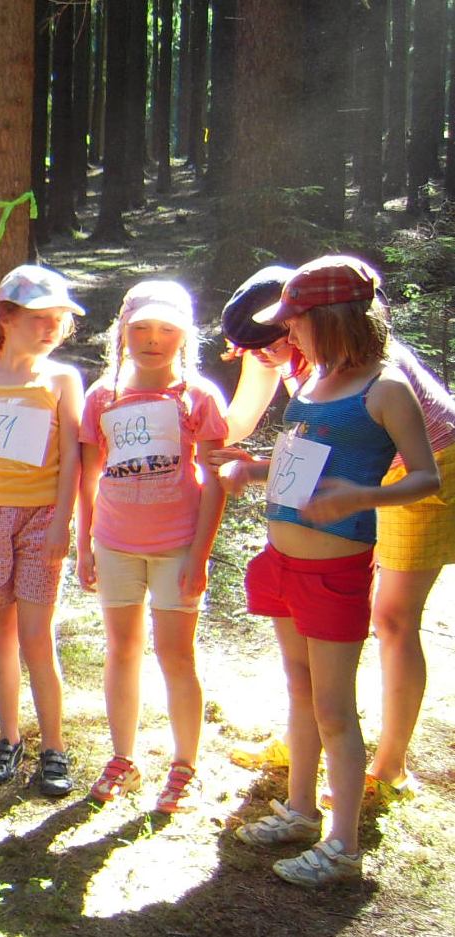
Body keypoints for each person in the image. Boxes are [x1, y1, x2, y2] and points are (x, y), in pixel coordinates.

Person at [218, 256, 439, 887]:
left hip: (334, 570)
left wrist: (362, 496)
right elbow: (301, 460)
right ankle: (300, 810)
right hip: (283, 563)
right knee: (299, 689)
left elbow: (426, 476)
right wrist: (252, 470)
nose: (287, 333)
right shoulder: (313, 380)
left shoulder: (385, 388)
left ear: (334, 318)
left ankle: (343, 847)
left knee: (335, 709)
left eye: (295, 321)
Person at [74, 281, 228, 812]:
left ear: (185, 335)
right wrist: (84, 545)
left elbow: (215, 481)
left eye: (166, 329)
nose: (153, 339)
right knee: (122, 649)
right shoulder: (103, 396)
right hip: (116, 544)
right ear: (122, 332)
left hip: (177, 547)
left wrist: (199, 555)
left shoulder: (198, 397)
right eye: (141, 328)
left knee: (175, 654)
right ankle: (123, 758)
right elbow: (89, 475)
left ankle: (185, 765)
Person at [0, 265, 87, 797]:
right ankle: (8, 738)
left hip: (40, 520)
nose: (51, 328)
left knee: (36, 636)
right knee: (0, 634)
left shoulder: (61, 381)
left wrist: (63, 522)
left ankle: (53, 746)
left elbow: (72, 457)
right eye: (38, 318)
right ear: (5, 318)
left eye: (59, 319)